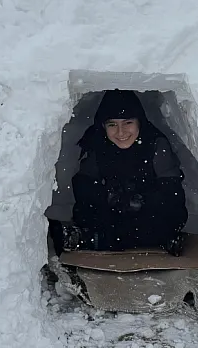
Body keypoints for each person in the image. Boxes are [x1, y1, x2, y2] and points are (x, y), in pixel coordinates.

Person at [49, 89, 189, 256]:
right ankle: (89, 236)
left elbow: (172, 192)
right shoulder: (98, 144)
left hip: (148, 216)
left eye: (128, 123)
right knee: (98, 221)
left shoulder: (155, 145)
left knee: (158, 224)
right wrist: (108, 198)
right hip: (112, 216)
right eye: (112, 125)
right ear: (103, 126)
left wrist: (141, 201)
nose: (121, 132)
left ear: (139, 122)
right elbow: (84, 187)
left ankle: (92, 239)